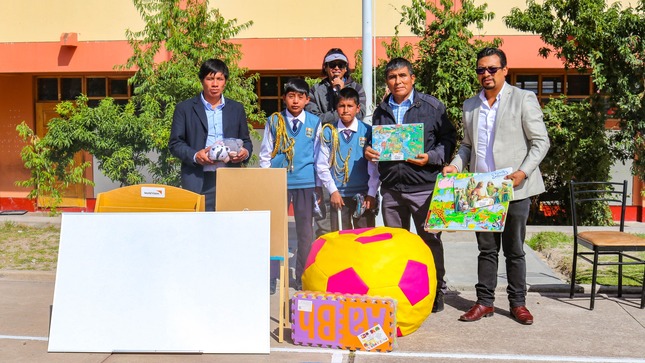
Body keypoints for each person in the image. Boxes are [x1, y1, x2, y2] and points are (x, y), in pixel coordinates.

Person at [442, 47, 550, 325]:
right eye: (481, 69)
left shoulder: (523, 99)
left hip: (514, 188)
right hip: (482, 190)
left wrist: (523, 173)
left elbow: (540, 142)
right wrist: (455, 165)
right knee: (486, 250)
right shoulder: (470, 105)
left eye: (492, 69)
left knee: (514, 249)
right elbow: (467, 147)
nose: (486, 74)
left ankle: (518, 304)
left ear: (504, 70)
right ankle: (484, 302)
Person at [364, 57, 457, 313]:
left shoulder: (432, 107)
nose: (398, 82)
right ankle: (404, 294)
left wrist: (433, 157)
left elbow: (448, 139)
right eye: (393, 78)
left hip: (424, 188)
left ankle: (437, 291)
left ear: (412, 78)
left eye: (403, 76)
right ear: (387, 82)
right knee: (398, 246)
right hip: (392, 190)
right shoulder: (380, 111)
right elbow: (373, 141)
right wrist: (369, 150)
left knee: (430, 241)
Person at [259, 78, 322, 291]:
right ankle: (271, 276)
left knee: (306, 231)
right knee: (274, 229)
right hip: (279, 181)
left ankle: (302, 274)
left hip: (305, 182)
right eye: (291, 96)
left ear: (307, 100)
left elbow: (318, 156)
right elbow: (265, 154)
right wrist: (267, 181)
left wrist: (318, 185)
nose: (295, 101)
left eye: (300, 97)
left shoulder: (314, 123)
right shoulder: (274, 120)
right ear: (285, 98)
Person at [169, 59, 252, 211]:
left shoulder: (236, 108)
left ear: (225, 82)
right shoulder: (184, 109)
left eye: (219, 79)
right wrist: (195, 156)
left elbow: (246, 141)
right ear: (202, 81)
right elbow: (175, 143)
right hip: (198, 179)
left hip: (229, 178)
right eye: (210, 78)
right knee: (199, 228)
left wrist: (245, 152)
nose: (215, 84)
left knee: (228, 227)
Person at [306, 48, 367, 238]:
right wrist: (340, 114)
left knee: (361, 230)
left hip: (353, 149)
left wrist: (340, 93)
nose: (337, 69)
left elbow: (361, 113)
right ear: (326, 68)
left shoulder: (357, 88)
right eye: (332, 65)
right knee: (329, 223)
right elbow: (315, 119)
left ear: (346, 68)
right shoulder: (316, 89)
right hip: (326, 149)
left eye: (341, 65)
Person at [316, 87, 379, 231]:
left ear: (358, 108)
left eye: (350, 106)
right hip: (339, 196)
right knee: (342, 240)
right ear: (336, 108)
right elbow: (321, 165)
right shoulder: (328, 132)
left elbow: (375, 167)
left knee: (364, 239)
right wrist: (333, 191)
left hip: (363, 196)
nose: (345, 110)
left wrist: (371, 194)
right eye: (341, 106)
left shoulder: (369, 132)